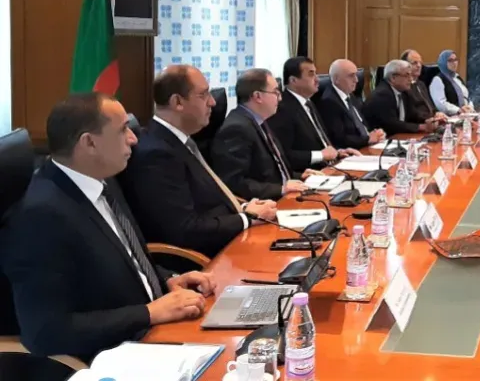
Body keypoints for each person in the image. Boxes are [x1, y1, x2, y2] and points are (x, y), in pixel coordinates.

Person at [0, 93, 215, 360]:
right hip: (114, 356)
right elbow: (46, 332)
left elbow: (123, 259)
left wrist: (167, 280)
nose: (134, 138)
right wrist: (149, 312)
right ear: (89, 143)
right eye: (123, 129)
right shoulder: (39, 217)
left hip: (153, 332)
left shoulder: (100, 178)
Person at [120, 65, 277, 258]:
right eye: (203, 95)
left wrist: (244, 208)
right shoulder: (156, 154)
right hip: (205, 260)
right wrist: (246, 219)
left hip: (229, 242)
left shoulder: (181, 140)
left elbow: (205, 202)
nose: (212, 102)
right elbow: (185, 229)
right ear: (177, 102)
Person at [210, 69, 319, 200]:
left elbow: (271, 171)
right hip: (266, 203)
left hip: (283, 196)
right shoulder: (236, 129)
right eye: (275, 92)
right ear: (257, 96)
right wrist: (281, 189)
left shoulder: (259, 120)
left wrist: (299, 176)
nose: (280, 98)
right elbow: (234, 183)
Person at [268, 57, 358, 173]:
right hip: (308, 174)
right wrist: (321, 155)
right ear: (293, 80)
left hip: (328, 167)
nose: (317, 79)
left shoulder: (309, 103)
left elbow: (320, 142)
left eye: (316, 73)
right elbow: (284, 155)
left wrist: (337, 152)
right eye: (311, 74)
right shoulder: (282, 109)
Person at [315, 59, 386, 149]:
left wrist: (376, 133)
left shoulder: (350, 95)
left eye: (356, 75)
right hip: (352, 151)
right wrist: (367, 139)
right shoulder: (329, 102)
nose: (356, 80)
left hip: (368, 146)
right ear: (337, 79)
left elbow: (363, 123)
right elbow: (340, 139)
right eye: (351, 76)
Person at [364, 60, 440, 137]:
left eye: (410, 75)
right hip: (382, 139)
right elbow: (392, 124)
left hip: (399, 136)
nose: (411, 79)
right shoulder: (382, 95)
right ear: (393, 78)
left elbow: (413, 114)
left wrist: (431, 120)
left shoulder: (403, 91)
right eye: (407, 75)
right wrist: (421, 127)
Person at [401, 49, 447, 124]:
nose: (419, 66)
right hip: (420, 125)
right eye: (414, 63)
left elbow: (430, 105)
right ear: (404, 65)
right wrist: (432, 119)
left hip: (432, 122)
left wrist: (437, 113)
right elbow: (412, 113)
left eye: (420, 63)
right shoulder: (404, 86)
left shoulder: (421, 84)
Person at [429, 50, 473, 116]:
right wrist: (458, 110)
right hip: (449, 118)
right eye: (450, 60)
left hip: (465, 115)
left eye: (455, 60)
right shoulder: (438, 80)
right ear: (443, 62)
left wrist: (470, 107)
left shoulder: (457, 78)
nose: (454, 63)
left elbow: (467, 97)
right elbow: (441, 104)